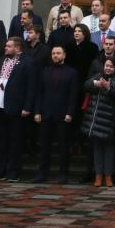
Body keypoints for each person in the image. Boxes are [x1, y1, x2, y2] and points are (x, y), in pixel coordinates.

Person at [0, 37, 35, 182]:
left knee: (15, 142)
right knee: (0, 141)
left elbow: (31, 87)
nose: (5, 48)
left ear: (17, 48)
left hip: (16, 107)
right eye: (6, 46)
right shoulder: (1, 60)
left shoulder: (28, 62)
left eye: (8, 46)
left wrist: (27, 106)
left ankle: (13, 172)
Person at [32, 44, 79, 184]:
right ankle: (42, 173)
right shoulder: (44, 71)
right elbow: (39, 93)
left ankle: (63, 174)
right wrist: (37, 111)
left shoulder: (72, 73)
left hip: (63, 115)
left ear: (64, 55)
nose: (55, 56)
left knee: (63, 146)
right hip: (46, 113)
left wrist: (70, 113)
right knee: (44, 146)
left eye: (58, 53)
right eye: (53, 53)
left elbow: (73, 95)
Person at [82, 57, 115, 187]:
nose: (108, 68)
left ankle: (108, 176)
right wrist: (95, 83)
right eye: (106, 66)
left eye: (111, 66)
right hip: (96, 120)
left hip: (110, 120)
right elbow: (86, 85)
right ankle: (98, 175)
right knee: (97, 150)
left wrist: (108, 87)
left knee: (109, 150)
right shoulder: (98, 76)